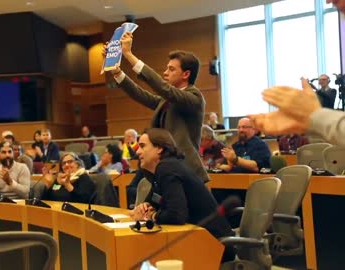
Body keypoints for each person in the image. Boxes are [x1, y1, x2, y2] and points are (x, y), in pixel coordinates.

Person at [105, 32, 209, 182]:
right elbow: (141, 95)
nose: (165, 73)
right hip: (163, 165)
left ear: (186, 74)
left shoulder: (194, 97)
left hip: (185, 170)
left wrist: (128, 54)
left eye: (171, 69)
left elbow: (164, 88)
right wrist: (117, 71)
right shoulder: (168, 99)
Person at [129, 128, 234, 262]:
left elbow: (176, 215)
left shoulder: (167, 168)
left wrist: (151, 216)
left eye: (142, 146)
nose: (137, 152)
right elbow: (156, 203)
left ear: (159, 148)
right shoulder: (162, 170)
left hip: (215, 245)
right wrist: (146, 207)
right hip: (197, 239)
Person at [249, 0, 345, 145]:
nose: (329, 1)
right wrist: (310, 122)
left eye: (324, 80)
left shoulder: (331, 91)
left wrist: (315, 117)